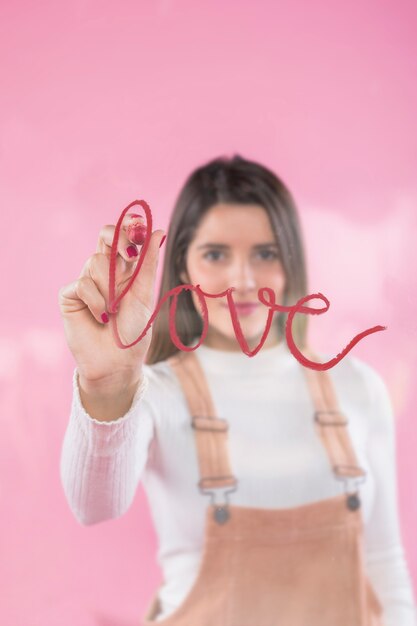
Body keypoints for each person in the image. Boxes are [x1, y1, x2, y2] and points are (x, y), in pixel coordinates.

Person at [58, 155, 417, 625]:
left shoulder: (357, 388)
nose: (243, 280)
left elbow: (385, 562)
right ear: (183, 266)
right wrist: (106, 384)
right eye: (216, 254)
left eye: (265, 253)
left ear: (291, 262)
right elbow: (93, 507)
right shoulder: (154, 392)